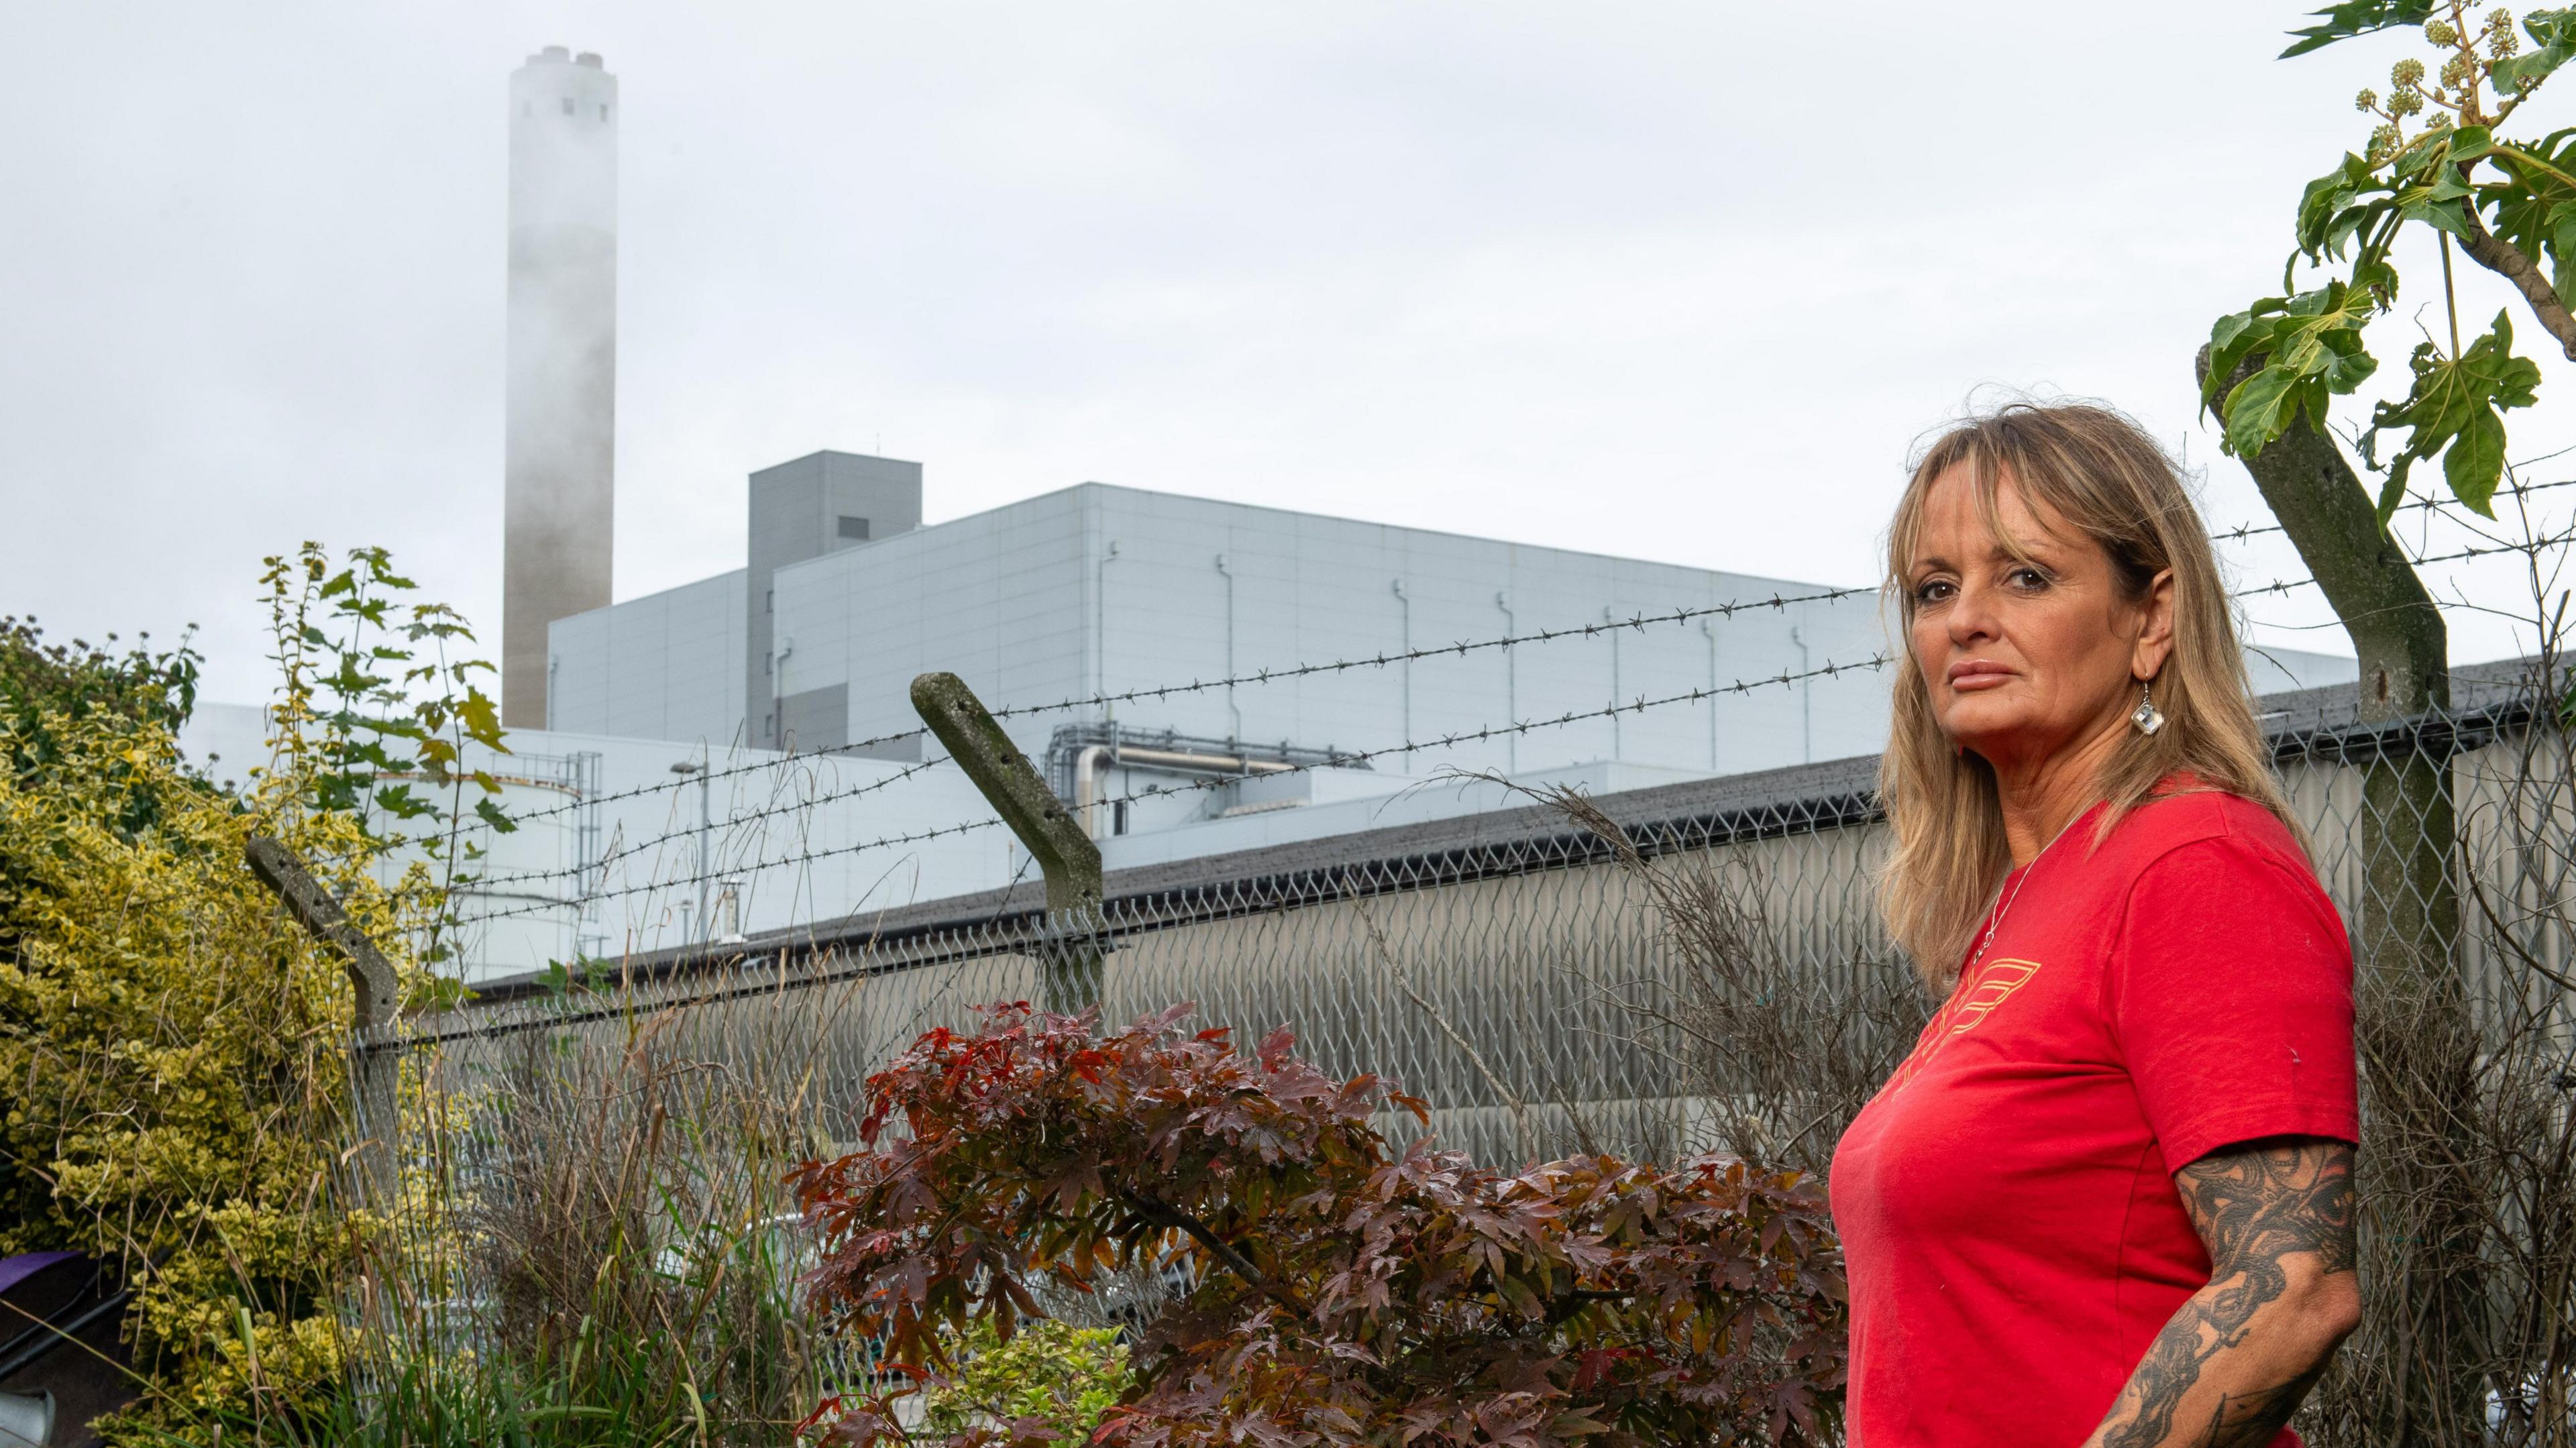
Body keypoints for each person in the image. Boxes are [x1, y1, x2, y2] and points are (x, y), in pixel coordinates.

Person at [1829, 402, 2362, 1447]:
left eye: (2025, 575)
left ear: (2151, 619)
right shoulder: (2035, 899)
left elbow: (2294, 1287)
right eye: (1936, 589)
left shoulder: (2196, 864)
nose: (1965, 620)